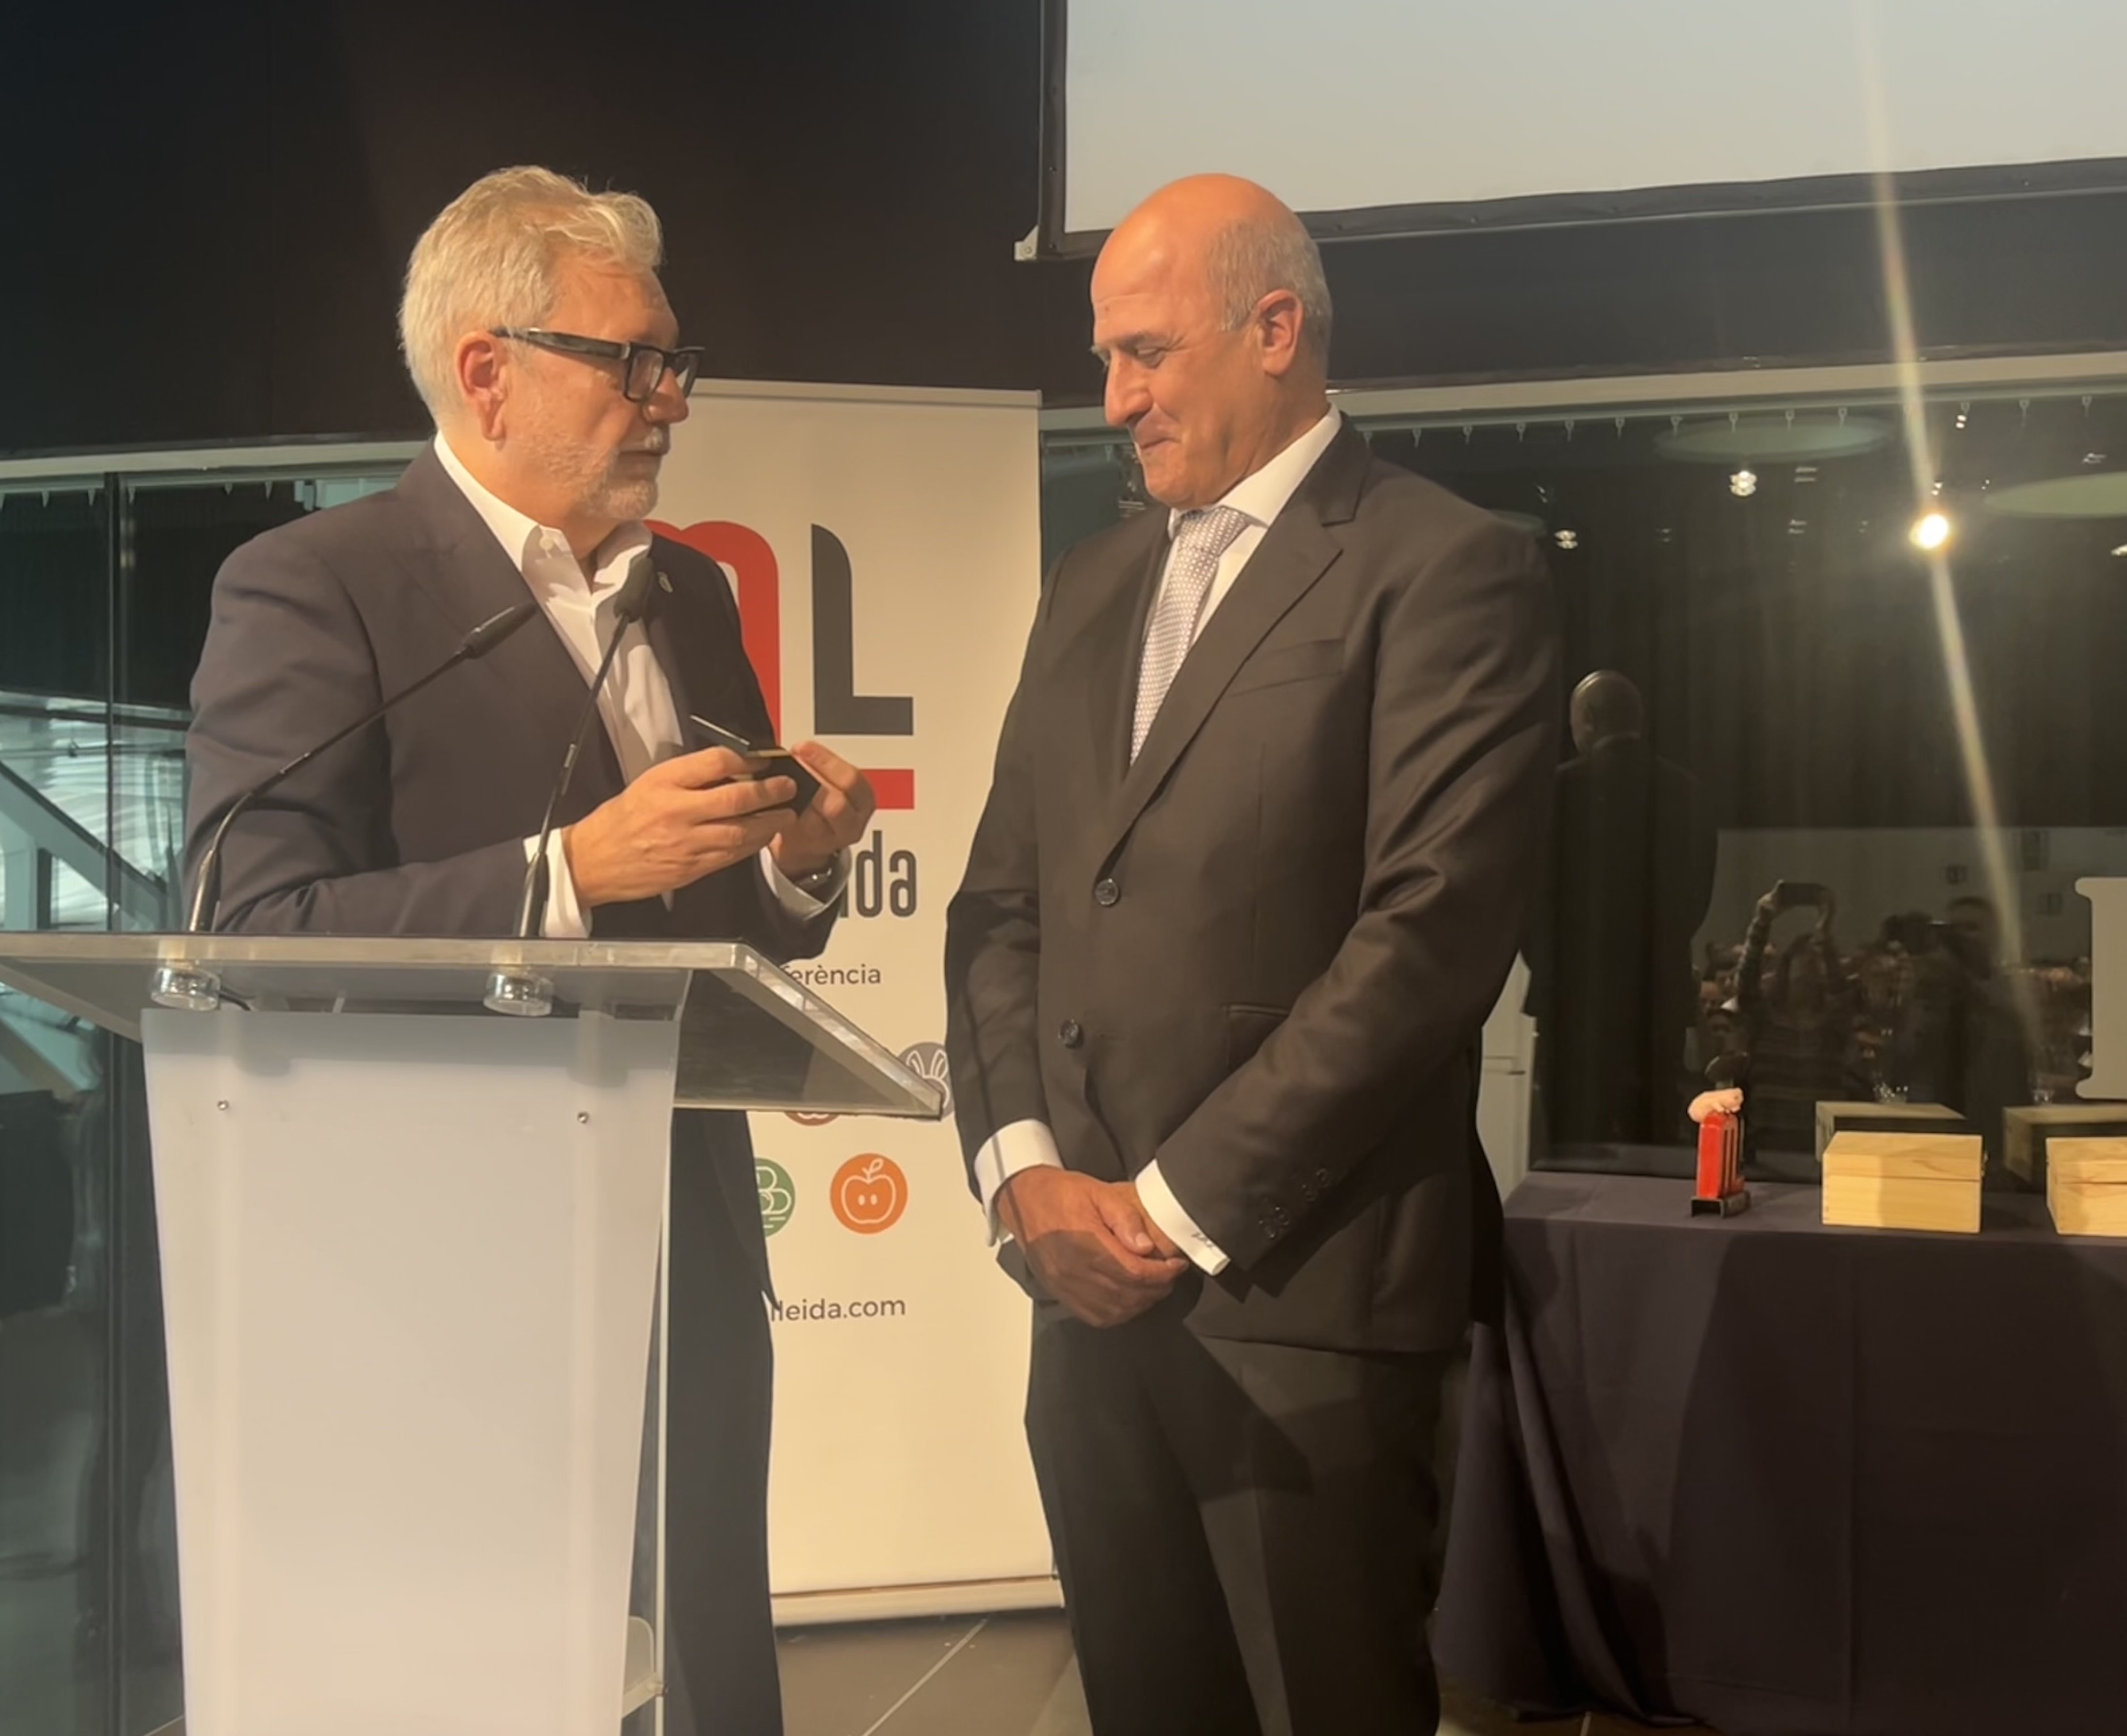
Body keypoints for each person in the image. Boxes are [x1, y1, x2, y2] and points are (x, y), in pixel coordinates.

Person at [181, 165, 875, 1736]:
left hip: (685, 1231)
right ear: (486, 370)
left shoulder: (689, 592)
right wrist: (564, 875)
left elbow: (711, 925)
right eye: (631, 362)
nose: (670, 400)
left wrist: (793, 872)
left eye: (673, 363)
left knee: (705, 1651)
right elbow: (252, 923)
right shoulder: (317, 584)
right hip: (441, 1263)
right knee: (493, 1675)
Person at [944, 175, 1556, 1736]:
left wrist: (1164, 1210)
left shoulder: (1442, 567)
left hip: (1304, 1313)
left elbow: (1429, 940)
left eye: (1145, 352)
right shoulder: (1090, 587)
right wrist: (1024, 1178)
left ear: (1276, 329)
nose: (1114, 399)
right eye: (1104, 358)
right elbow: (1000, 908)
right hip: (1082, 1305)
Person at [1523, 669, 1717, 1147]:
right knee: (1651, 1142)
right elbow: (1696, 899)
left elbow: (1530, 899)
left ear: (1588, 719)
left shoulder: (1556, 791)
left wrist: (1551, 969)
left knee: (1571, 1148)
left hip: (1573, 1000)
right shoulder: (1687, 792)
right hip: (1657, 997)